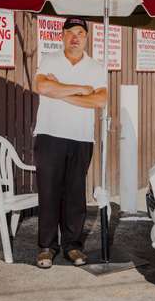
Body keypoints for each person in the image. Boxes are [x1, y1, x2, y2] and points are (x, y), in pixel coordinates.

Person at [33, 17, 107, 268]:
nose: (75, 37)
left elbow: (99, 101)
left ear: (86, 37)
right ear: (61, 36)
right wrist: (82, 89)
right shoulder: (50, 59)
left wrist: (60, 91)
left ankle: (72, 246)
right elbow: (42, 86)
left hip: (81, 138)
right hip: (49, 135)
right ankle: (46, 247)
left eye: (80, 33)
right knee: (49, 192)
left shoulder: (96, 67)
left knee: (75, 195)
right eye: (70, 32)